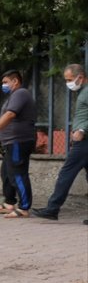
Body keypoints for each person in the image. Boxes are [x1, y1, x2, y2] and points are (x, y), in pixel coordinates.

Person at [32, 64, 88, 223]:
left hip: (84, 142)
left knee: (66, 173)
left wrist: (83, 130)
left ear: (81, 77)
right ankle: (52, 208)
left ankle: (52, 209)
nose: (68, 83)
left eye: (69, 79)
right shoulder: (83, 92)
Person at [0, 69, 36, 218]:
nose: (3, 85)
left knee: (18, 173)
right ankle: (9, 202)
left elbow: (10, 114)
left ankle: (24, 208)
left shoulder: (20, 93)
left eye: (5, 82)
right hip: (12, 142)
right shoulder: (14, 95)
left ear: (15, 81)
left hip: (19, 141)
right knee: (6, 172)